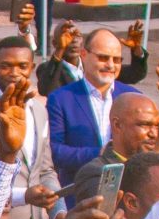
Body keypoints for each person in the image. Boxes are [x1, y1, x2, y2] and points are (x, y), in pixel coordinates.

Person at [44, 28, 137, 181]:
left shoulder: (133, 97)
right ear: (84, 55)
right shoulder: (61, 99)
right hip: (79, 187)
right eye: (103, 58)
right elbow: (54, 151)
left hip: (125, 186)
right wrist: (100, 153)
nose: (110, 65)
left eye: (116, 60)